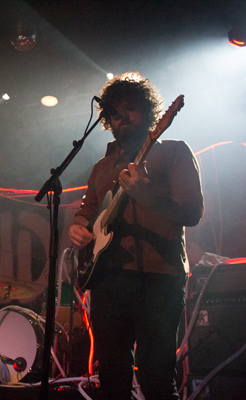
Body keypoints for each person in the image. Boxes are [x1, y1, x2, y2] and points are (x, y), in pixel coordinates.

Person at [68, 73, 204, 399]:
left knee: (156, 379)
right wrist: (79, 226)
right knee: (112, 380)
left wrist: (148, 196)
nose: (122, 117)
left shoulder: (173, 152)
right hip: (106, 280)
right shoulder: (101, 167)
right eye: (115, 111)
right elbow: (88, 210)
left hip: (158, 277)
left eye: (131, 109)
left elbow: (192, 213)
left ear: (151, 112)